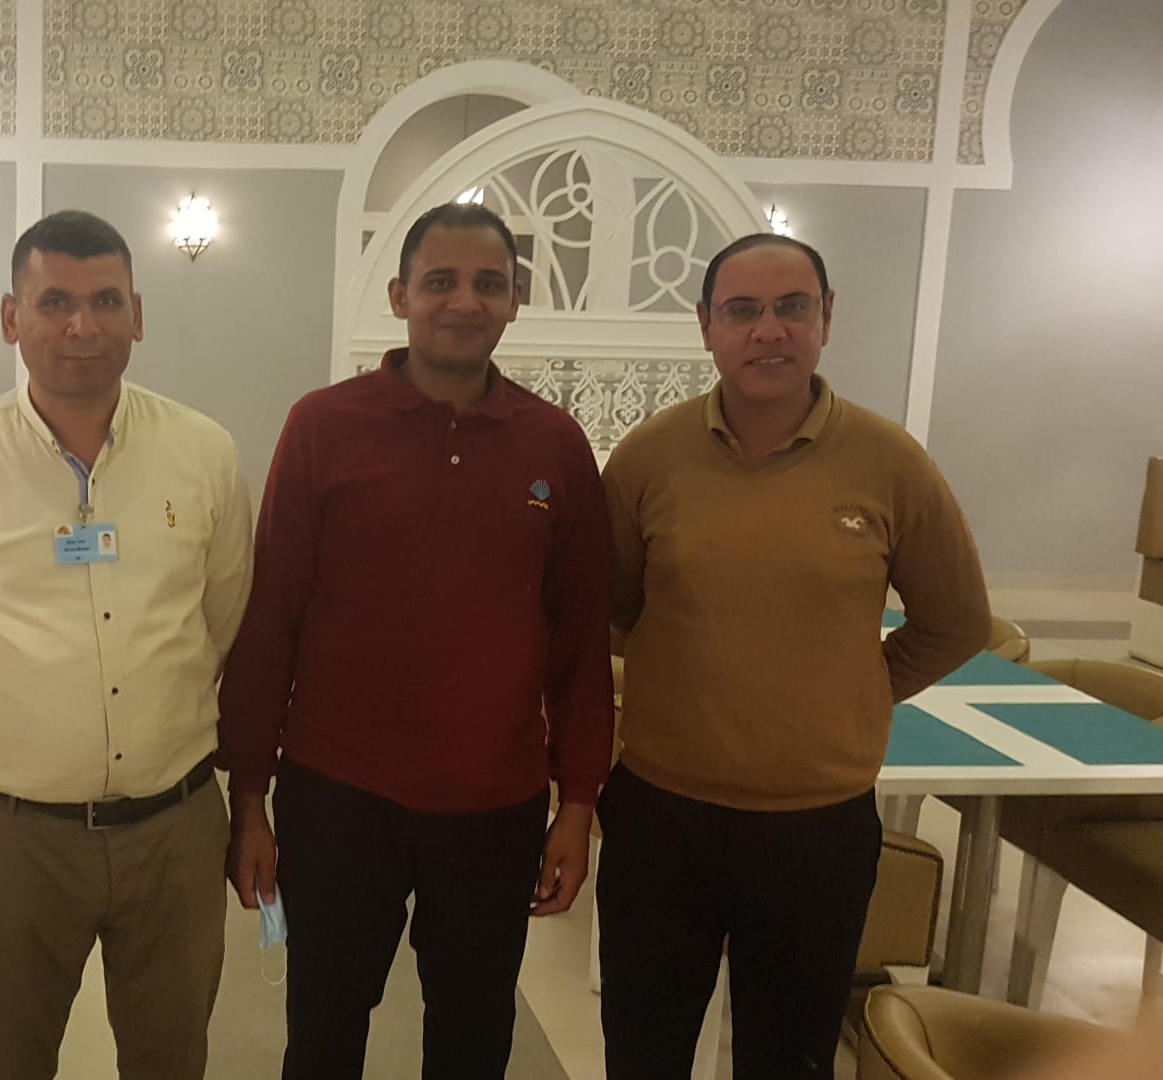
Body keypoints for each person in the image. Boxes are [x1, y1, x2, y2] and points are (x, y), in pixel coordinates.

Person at [217, 201, 615, 1080]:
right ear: (400, 297)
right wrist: (249, 796)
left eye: (488, 284)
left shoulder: (555, 445)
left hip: (495, 805)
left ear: (514, 301)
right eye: (441, 281)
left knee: (474, 1036)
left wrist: (578, 803)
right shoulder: (323, 426)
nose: (464, 302)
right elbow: (272, 616)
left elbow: (580, 643)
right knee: (323, 1033)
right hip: (338, 795)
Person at [598, 234, 991, 1078]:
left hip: (817, 833)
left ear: (826, 319)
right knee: (641, 1055)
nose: (768, 330)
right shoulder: (648, 457)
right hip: (661, 817)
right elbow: (614, 610)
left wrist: (856, 689)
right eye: (742, 310)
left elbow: (957, 621)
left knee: (788, 1063)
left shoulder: (891, 463)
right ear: (707, 325)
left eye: (792, 308)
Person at [0, 210, 254, 1080]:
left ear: (137, 315)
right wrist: (12, 745)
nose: (81, 324)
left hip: (174, 829)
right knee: (8, 1058)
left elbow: (224, 615)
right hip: (15, 840)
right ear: (11, 317)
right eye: (54, 302)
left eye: (105, 301)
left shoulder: (203, 453)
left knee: (171, 1059)